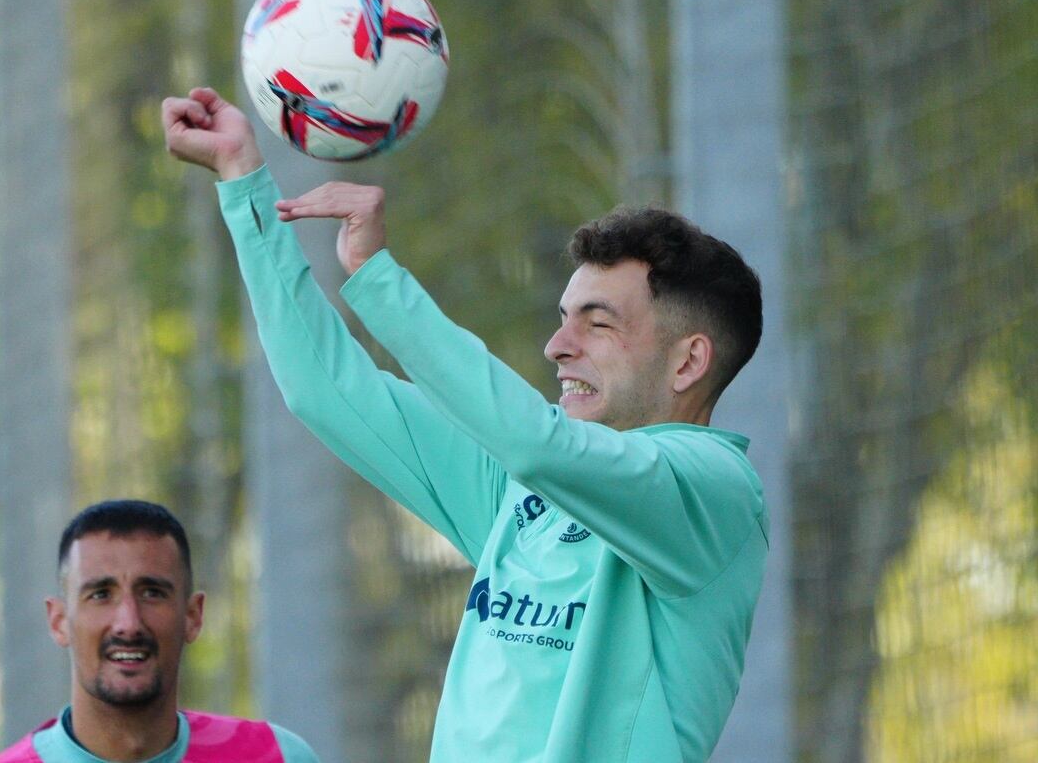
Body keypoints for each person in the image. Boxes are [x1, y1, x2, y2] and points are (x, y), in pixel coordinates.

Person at [161, 87, 770, 762]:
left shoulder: (713, 492)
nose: (558, 346)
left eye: (597, 323)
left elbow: (541, 446)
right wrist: (244, 181)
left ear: (689, 361)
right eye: (563, 318)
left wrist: (378, 280)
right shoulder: (527, 491)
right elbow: (328, 391)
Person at [0, 499, 320, 763]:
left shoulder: (277, 757)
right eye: (101, 594)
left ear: (192, 615)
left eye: (152, 592)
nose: (128, 624)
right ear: (59, 621)